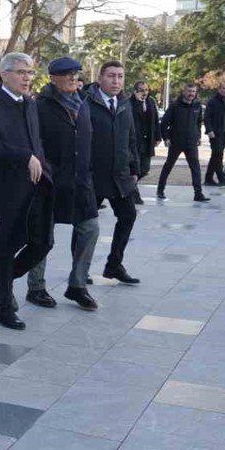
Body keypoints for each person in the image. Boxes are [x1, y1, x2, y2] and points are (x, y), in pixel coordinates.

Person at [0, 52, 52, 330]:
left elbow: (38, 142)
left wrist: (44, 167)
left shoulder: (30, 104)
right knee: (5, 250)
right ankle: (3, 306)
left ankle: (2, 279)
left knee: (43, 243)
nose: (27, 78)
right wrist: (23, 156)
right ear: (5, 74)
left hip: (36, 187)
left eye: (31, 72)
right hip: (5, 190)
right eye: (22, 72)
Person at [26, 57, 100, 312]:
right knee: (43, 235)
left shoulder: (84, 103)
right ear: (53, 78)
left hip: (81, 182)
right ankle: (36, 287)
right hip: (50, 182)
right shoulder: (40, 106)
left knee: (90, 228)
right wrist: (46, 172)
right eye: (66, 74)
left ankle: (77, 285)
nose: (73, 78)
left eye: (75, 73)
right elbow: (34, 142)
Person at [86, 61, 142, 285]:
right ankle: (80, 270)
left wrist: (135, 168)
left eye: (120, 76)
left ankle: (114, 265)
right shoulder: (87, 104)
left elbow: (131, 139)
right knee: (86, 226)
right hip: (93, 176)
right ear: (100, 78)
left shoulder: (125, 104)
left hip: (120, 175)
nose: (116, 81)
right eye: (111, 76)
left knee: (128, 216)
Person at [157, 82, 209, 202]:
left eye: (193, 92)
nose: (191, 94)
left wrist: (199, 137)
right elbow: (164, 123)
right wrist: (166, 138)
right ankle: (160, 190)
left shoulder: (197, 106)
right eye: (189, 91)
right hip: (176, 142)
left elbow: (198, 123)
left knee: (195, 168)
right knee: (168, 165)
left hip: (191, 143)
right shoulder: (175, 106)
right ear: (184, 92)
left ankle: (198, 194)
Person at [130, 80, 160, 202]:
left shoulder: (151, 102)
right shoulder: (130, 103)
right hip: (135, 140)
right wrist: (137, 102)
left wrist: (158, 136)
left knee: (145, 169)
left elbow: (156, 120)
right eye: (141, 90)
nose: (144, 93)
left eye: (146, 90)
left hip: (148, 140)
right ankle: (134, 194)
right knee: (135, 169)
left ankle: (131, 187)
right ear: (135, 91)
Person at [204, 83, 225, 186]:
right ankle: (221, 177)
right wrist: (209, 130)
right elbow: (207, 117)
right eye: (224, 88)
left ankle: (208, 178)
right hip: (215, 133)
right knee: (218, 154)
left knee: (216, 155)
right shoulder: (213, 102)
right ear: (219, 89)